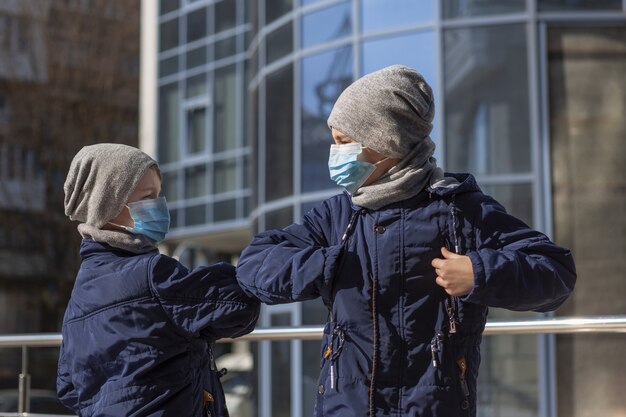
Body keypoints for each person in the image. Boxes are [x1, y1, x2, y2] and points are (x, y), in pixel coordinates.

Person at [236, 65, 576, 417]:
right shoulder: (338, 216)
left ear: (385, 142)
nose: (335, 155)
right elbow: (254, 265)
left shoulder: (462, 211)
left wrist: (479, 273)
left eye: (342, 142)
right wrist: (327, 264)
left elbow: (555, 272)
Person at [57, 143, 260, 417]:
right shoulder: (153, 273)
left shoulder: (79, 293)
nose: (159, 206)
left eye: (159, 195)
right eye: (148, 196)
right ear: (109, 204)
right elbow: (238, 306)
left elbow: (68, 386)